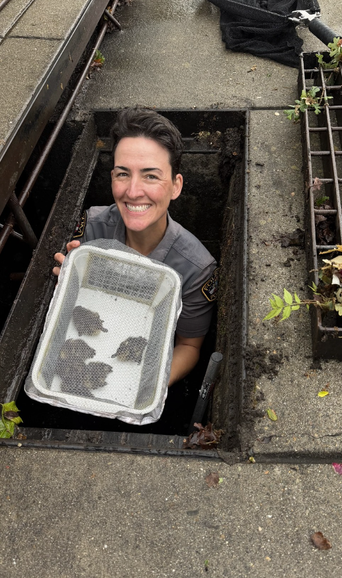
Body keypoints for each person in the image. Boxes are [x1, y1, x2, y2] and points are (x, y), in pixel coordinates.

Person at [53, 107, 218, 386]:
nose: (132, 191)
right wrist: (65, 284)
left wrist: (143, 386)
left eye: (150, 176)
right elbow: (72, 309)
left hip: (140, 363)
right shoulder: (92, 229)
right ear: (112, 178)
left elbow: (189, 346)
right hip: (88, 346)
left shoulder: (196, 269)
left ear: (175, 186)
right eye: (123, 174)